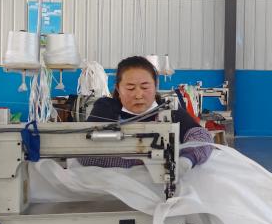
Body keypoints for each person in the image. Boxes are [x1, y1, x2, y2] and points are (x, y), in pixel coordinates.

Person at [84, 55, 214, 169]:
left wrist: (188, 158)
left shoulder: (168, 109)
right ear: (118, 88)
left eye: (145, 87)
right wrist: (140, 161)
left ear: (156, 86)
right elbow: (85, 149)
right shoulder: (106, 107)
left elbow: (201, 137)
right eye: (130, 88)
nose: (138, 95)